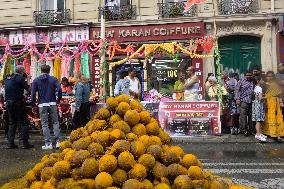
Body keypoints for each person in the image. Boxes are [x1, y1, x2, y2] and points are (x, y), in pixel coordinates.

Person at [31, 64, 62, 150]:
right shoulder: (54, 79)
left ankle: (48, 144)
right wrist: (58, 99)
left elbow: (33, 94)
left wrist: (33, 104)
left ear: (41, 70)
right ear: (49, 70)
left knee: (44, 124)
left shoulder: (36, 80)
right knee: (55, 122)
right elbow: (59, 89)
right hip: (52, 103)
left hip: (42, 104)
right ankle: (58, 142)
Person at [4, 65, 33, 149]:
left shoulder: (8, 78)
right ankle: (24, 143)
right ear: (22, 71)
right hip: (18, 103)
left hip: (9, 103)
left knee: (12, 123)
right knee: (24, 123)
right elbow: (29, 89)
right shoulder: (20, 78)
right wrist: (28, 79)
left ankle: (10, 143)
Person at [262, 71, 284, 142]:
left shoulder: (275, 84)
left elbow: (279, 94)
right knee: (268, 117)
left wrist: (281, 102)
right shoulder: (264, 85)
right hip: (267, 102)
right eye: (268, 76)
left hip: (275, 102)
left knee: (276, 117)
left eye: (271, 76)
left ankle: (277, 133)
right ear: (266, 77)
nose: (270, 77)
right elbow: (262, 95)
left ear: (273, 77)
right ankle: (268, 132)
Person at [235, 70, 255, 136]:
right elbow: (237, 90)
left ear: (252, 75)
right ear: (245, 75)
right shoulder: (241, 81)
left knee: (251, 116)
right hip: (243, 101)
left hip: (252, 101)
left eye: (250, 75)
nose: (248, 76)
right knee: (243, 116)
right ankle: (244, 130)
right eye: (247, 75)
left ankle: (251, 130)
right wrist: (237, 99)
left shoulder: (253, 81)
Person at [252, 76, 266, 142]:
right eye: (262, 80)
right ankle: (258, 134)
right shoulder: (259, 88)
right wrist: (266, 96)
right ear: (258, 81)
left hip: (255, 104)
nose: (263, 81)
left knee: (258, 120)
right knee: (258, 120)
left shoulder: (255, 87)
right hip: (259, 105)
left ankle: (259, 133)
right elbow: (260, 98)